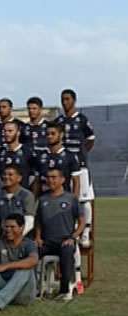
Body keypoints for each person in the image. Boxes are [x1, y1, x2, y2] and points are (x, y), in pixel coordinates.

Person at [35, 168, 85, 300]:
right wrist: (38, 237)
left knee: (67, 252)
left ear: (62, 180)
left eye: (54, 177)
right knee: (31, 253)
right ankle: (34, 287)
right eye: (48, 177)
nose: (50, 180)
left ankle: (64, 290)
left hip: (65, 240)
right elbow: (39, 222)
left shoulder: (71, 198)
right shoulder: (43, 199)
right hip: (47, 241)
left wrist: (72, 237)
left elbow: (81, 223)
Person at [54, 89, 95, 247]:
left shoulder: (82, 119)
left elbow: (91, 138)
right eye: (63, 99)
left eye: (68, 99)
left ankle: (85, 232)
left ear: (74, 101)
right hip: (63, 168)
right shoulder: (59, 121)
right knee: (65, 199)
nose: (65, 102)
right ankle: (70, 230)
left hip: (80, 167)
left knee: (84, 201)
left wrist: (81, 154)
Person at [32, 122, 80, 197]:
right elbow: (37, 181)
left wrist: (74, 201)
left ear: (61, 135)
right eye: (47, 134)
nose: (50, 136)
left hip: (64, 198)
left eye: (53, 134)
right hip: (45, 198)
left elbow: (76, 182)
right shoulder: (40, 156)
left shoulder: (70, 156)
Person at [0, 166, 37, 241]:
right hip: (4, 237)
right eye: (4, 174)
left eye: (10, 175)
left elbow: (29, 220)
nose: (6, 177)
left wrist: (17, 236)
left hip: (23, 238)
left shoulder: (27, 195)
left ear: (19, 178)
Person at [0, 121, 35, 188]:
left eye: (10, 131)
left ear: (18, 133)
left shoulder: (27, 151)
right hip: (4, 193)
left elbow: (34, 176)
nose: (7, 134)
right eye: (5, 131)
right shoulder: (0, 152)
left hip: (23, 193)